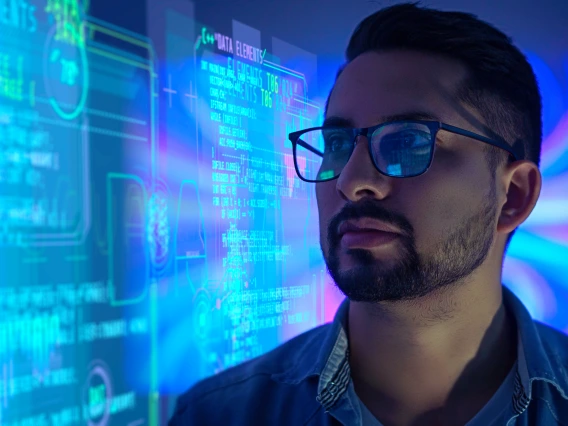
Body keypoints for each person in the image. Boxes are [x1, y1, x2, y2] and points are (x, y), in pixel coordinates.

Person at [169, 3, 568, 425]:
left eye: (408, 143)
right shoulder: (219, 415)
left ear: (514, 197)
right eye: (337, 143)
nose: (351, 180)